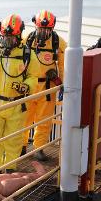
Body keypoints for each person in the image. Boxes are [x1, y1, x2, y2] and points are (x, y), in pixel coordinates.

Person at [0, 14, 40, 172]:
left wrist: (26, 86)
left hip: (17, 105)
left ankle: (10, 168)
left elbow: (34, 76)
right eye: (5, 37)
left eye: (11, 38)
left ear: (19, 36)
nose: (7, 41)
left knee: (14, 139)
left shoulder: (27, 55)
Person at [22, 10, 67, 161]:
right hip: (29, 86)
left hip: (48, 87)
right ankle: (21, 146)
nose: (44, 32)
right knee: (24, 118)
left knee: (44, 120)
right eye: (41, 28)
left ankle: (39, 148)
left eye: (47, 29)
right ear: (36, 25)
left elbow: (62, 64)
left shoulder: (58, 42)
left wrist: (62, 83)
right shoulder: (27, 39)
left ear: (52, 28)